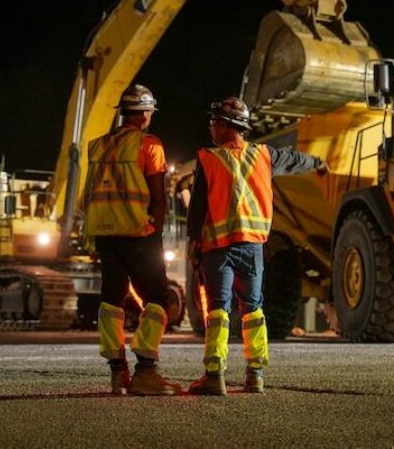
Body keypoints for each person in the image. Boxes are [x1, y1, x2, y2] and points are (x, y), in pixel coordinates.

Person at [186, 97, 326, 395]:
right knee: (253, 310)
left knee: (218, 310)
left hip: (219, 248)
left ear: (226, 126)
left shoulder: (209, 158)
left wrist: (192, 243)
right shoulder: (264, 155)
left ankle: (214, 375)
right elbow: (296, 160)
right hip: (253, 248)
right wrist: (319, 162)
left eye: (215, 121)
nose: (211, 126)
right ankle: (256, 375)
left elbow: (197, 208)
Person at [83, 83, 181, 396]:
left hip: (105, 234)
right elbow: (158, 196)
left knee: (112, 300)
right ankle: (146, 371)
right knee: (158, 298)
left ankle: (117, 373)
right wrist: (157, 228)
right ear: (145, 114)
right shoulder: (149, 144)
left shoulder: (98, 146)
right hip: (139, 233)